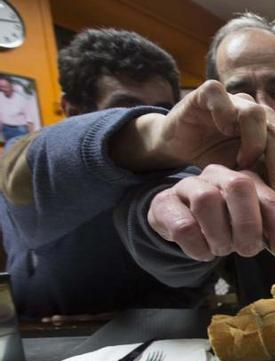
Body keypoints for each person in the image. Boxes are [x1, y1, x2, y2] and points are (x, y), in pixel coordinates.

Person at [116, 13, 275, 305]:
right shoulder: (204, 177)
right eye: (240, 94)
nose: (260, 110)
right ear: (212, 106)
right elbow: (176, 268)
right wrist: (170, 228)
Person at [0, 28, 187, 320]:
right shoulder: (28, 167)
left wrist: (132, 318)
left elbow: (195, 278)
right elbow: (25, 164)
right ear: (72, 110)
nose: (149, 124)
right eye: (125, 111)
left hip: (154, 345)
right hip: (39, 341)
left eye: (160, 112)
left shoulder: (178, 176)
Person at [0, 75, 37, 143]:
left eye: (6, 87)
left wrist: (32, 137)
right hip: (6, 129)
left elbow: (29, 119)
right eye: (1, 87)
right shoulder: (1, 97)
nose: (4, 89)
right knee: (9, 151)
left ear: (11, 86)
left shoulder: (22, 98)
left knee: (19, 151)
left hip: (20, 130)